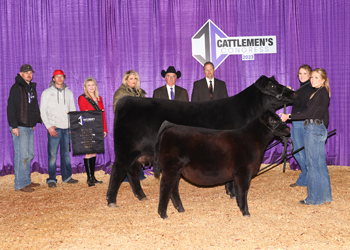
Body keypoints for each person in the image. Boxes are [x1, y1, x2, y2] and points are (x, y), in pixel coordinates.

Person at [280, 68, 332, 205]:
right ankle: (325, 196)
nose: (312, 80)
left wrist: (288, 116)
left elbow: (307, 113)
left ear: (323, 80)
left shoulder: (320, 93)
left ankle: (314, 198)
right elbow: (324, 114)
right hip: (317, 128)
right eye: (312, 77)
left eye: (316, 78)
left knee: (312, 164)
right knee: (320, 164)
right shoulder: (322, 93)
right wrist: (322, 128)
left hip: (313, 129)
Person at [40, 69, 78, 188]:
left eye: (61, 76)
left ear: (64, 78)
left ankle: (67, 177)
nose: (60, 79)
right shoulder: (46, 93)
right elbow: (42, 111)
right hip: (54, 128)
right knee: (52, 155)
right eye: (57, 77)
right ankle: (52, 179)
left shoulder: (69, 93)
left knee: (65, 154)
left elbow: (72, 110)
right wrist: (49, 127)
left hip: (67, 128)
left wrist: (72, 125)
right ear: (53, 79)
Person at [7, 64, 42, 192]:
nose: (29, 74)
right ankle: (20, 184)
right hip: (19, 127)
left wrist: (33, 122)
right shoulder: (16, 88)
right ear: (21, 74)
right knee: (22, 156)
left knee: (29, 155)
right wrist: (14, 126)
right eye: (26, 72)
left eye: (31, 72)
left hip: (28, 127)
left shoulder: (31, 88)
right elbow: (10, 107)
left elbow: (32, 107)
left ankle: (26, 180)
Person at [113, 70, 146, 181]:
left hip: (140, 127)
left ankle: (138, 174)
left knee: (138, 150)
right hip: (127, 127)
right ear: (126, 80)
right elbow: (116, 109)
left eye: (135, 78)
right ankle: (126, 175)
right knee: (127, 152)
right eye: (131, 78)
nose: (133, 81)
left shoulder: (140, 92)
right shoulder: (121, 92)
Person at [289, 65, 315, 188]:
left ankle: (307, 178)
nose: (302, 76)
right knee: (297, 150)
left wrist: (292, 95)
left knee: (298, 150)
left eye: (305, 73)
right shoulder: (302, 88)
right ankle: (306, 178)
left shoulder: (309, 89)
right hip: (297, 121)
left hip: (300, 122)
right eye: (300, 73)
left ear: (310, 75)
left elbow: (302, 103)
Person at [78, 77, 107, 187]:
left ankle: (93, 177)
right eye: (89, 85)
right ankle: (89, 178)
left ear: (95, 86)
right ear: (85, 87)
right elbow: (84, 114)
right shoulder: (82, 98)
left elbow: (102, 115)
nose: (91, 87)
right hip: (88, 127)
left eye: (93, 85)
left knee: (94, 151)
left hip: (98, 127)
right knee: (88, 152)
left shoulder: (99, 98)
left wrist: (104, 129)